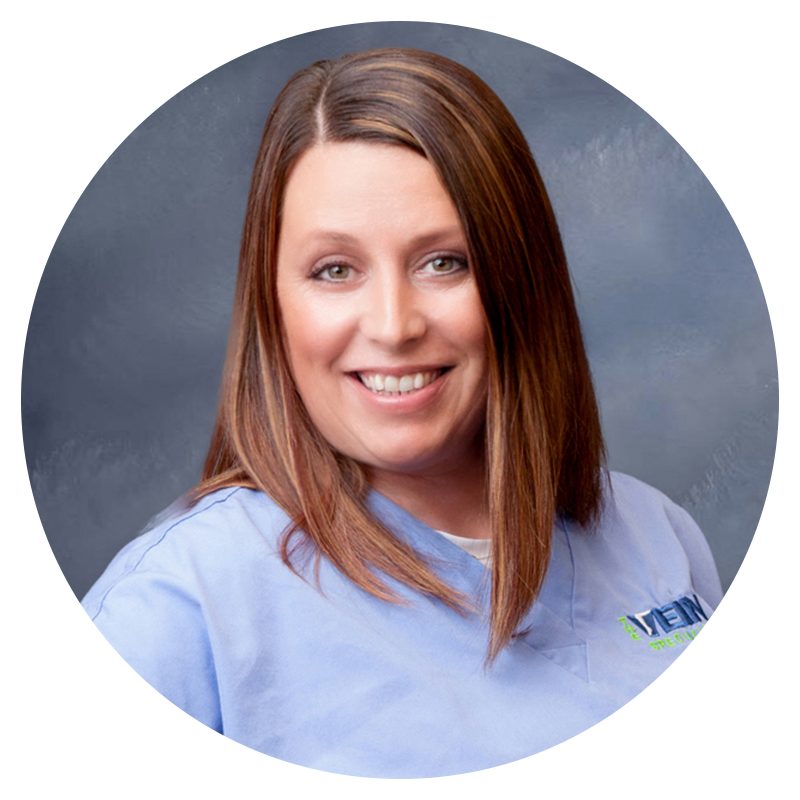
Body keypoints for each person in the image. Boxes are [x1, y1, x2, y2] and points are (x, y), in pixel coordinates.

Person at [81, 48, 723, 778]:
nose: (393, 325)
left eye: (444, 261)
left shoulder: (658, 539)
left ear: (521, 281)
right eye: (335, 270)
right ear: (273, 303)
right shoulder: (176, 610)